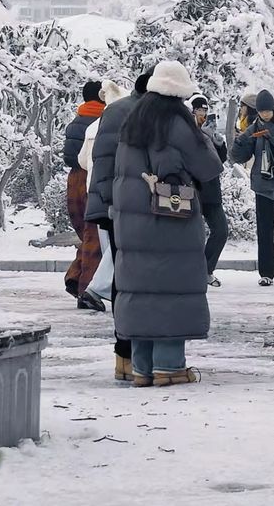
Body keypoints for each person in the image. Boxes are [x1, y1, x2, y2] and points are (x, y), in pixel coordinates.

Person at [113, 61, 223, 387]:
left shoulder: (133, 121)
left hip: (132, 223)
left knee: (144, 291)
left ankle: (143, 369)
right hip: (170, 218)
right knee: (170, 287)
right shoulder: (177, 122)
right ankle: (170, 366)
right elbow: (208, 166)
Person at [84, 69, 153, 382]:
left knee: (125, 275)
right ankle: (125, 353)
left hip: (122, 204)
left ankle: (126, 355)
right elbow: (103, 163)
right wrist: (117, 202)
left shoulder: (134, 111)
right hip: (117, 207)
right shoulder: (122, 112)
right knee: (124, 276)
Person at [231, 89, 274, 287]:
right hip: (263, 188)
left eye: (268, 110)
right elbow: (238, 157)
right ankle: (266, 273)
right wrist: (242, 139)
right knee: (264, 232)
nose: (265, 115)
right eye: (262, 111)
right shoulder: (253, 129)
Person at [77, 80, 131, 312]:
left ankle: (101, 290)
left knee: (108, 245)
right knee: (117, 247)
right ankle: (97, 290)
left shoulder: (92, 128)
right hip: (110, 192)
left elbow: (81, 161)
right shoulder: (121, 124)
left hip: (93, 189)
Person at [63, 81, 105, 302]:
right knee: (95, 235)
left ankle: (74, 277)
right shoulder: (102, 121)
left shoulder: (75, 122)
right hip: (92, 179)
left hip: (74, 179)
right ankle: (86, 288)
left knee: (88, 234)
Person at [189, 94, 229, 288]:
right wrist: (202, 137)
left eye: (205, 111)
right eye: (199, 110)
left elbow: (219, 161)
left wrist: (219, 144)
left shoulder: (209, 134)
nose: (203, 115)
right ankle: (193, 272)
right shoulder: (186, 132)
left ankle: (206, 270)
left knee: (221, 230)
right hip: (193, 191)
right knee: (192, 235)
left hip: (212, 190)